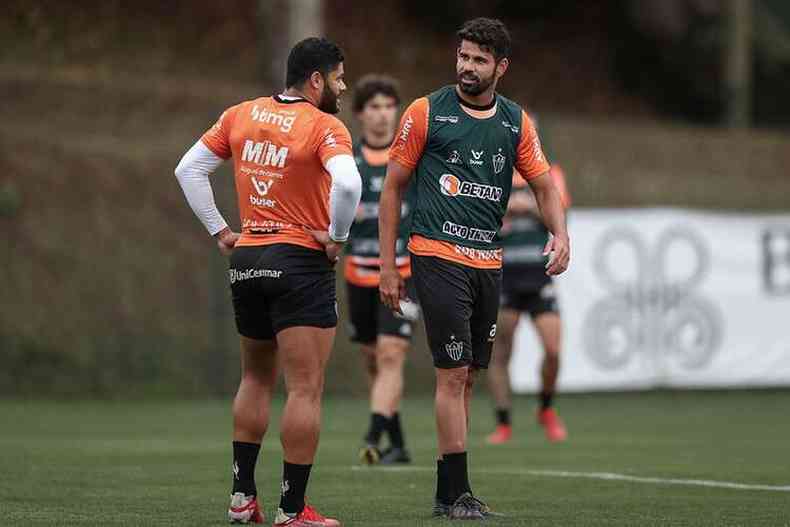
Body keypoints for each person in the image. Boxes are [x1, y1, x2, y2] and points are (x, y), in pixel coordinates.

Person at [378, 18, 570, 520]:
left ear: (500, 67)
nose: (467, 66)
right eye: (463, 56)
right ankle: (459, 492)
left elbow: (546, 186)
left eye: (479, 60)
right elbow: (393, 188)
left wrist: (561, 234)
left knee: (467, 379)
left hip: (488, 262)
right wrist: (389, 265)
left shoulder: (515, 122)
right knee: (453, 372)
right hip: (435, 255)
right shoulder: (426, 112)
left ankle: (447, 494)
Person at [174, 37, 361, 526]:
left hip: (249, 256)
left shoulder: (241, 114)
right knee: (305, 388)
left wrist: (220, 229)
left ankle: (241, 499)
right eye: (338, 78)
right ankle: (292, 511)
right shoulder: (324, 125)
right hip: (299, 260)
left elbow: (188, 169)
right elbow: (348, 183)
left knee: (255, 378)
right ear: (316, 79)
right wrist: (337, 237)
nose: (342, 87)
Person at [345, 74, 416, 465]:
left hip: (405, 275)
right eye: (374, 106)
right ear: (359, 114)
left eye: (390, 106)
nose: (383, 115)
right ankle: (399, 443)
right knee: (374, 360)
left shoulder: (411, 162)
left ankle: (372, 436)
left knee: (392, 354)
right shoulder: (346, 166)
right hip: (358, 274)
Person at [486, 148, 572, 445]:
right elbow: (479, 215)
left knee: (553, 350)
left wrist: (529, 207)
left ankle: (546, 408)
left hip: (539, 275)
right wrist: (508, 206)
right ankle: (504, 421)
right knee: (500, 352)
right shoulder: (490, 169)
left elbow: (560, 213)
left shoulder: (549, 171)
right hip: (504, 276)